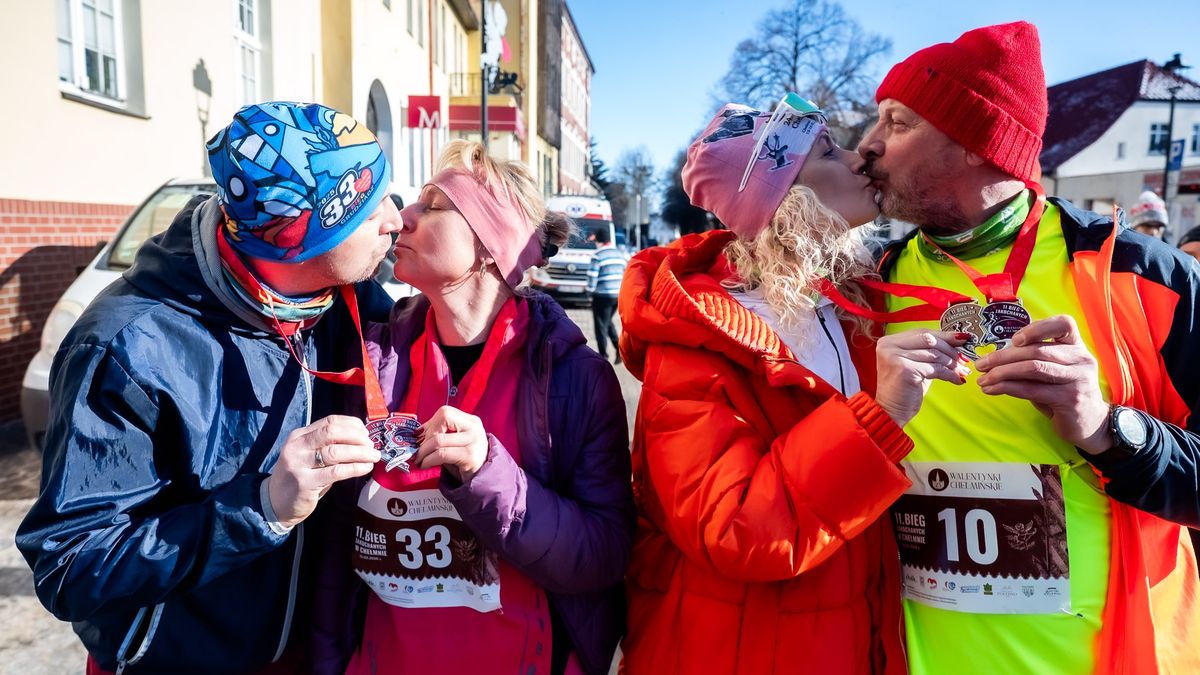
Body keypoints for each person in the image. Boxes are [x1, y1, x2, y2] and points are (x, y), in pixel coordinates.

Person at [858, 21, 1200, 674]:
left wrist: (1108, 429)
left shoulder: (1142, 276)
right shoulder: (867, 288)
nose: (866, 148)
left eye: (896, 124)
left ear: (973, 143)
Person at [15, 101, 400, 674]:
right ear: (302, 240)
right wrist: (261, 508)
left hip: (310, 647)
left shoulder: (340, 298)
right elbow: (70, 565)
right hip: (178, 660)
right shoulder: (128, 346)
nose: (396, 219)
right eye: (370, 210)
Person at [618, 94, 972, 674]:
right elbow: (736, 526)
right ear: (783, 199)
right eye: (828, 151)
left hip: (847, 637)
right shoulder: (695, 343)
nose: (860, 157)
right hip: (737, 650)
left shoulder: (853, 307)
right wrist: (879, 418)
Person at [311, 140, 635, 675]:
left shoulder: (576, 378)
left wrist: (489, 473)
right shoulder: (368, 360)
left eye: (433, 206)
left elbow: (605, 553)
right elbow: (334, 541)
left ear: (490, 246)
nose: (402, 217)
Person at [586, 224, 627, 363]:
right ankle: (619, 350)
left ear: (598, 241)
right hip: (617, 295)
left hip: (602, 295)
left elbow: (592, 276)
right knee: (607, 322)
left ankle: (603, 356)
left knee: (600, 326)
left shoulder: (597, 256)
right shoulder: (620, 254)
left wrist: (589, 293)